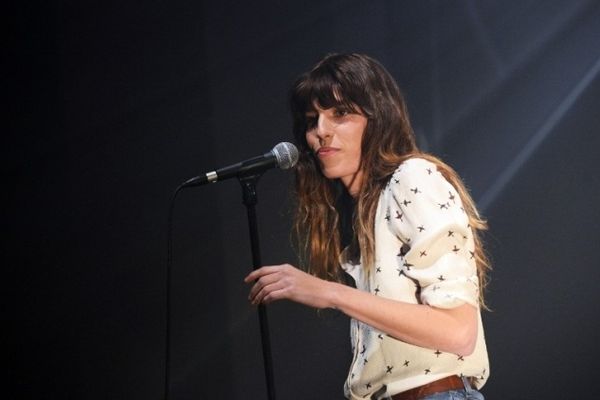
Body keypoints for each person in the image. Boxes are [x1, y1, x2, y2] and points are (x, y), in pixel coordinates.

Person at [244, 53, 490, 400]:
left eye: (340, 114)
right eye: (312, 120)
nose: (320, 132)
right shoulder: (360, 213)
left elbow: (458, 332)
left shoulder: (412, 177)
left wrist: (330, 293)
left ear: (378, 119)